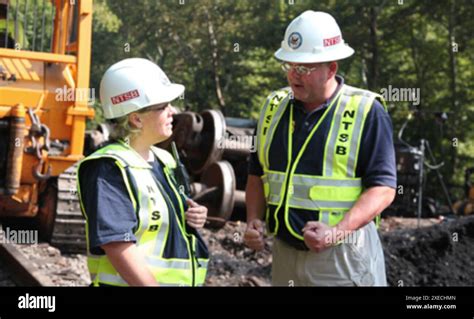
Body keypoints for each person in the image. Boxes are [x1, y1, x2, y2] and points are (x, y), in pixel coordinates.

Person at [244, 11, 396, 286]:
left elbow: (383, 189)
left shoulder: (366, 112)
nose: (293, 75)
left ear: (332, 69)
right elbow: (257, 174)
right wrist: (254, 219)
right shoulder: (272, 108)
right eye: (290, 65)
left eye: (304, 68)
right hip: (284, 255)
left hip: (342, 256)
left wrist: (336, 232)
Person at [77, 58, 209, 286]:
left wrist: (194, 216)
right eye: (163, 106)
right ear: (136, 118)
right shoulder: (108, 168)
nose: (172, 112)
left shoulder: (166, 160)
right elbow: (117, 244)